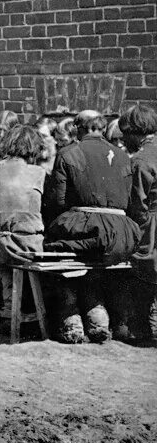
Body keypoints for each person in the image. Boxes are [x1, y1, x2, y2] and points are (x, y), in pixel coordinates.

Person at [43, 110, 138, 344]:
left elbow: (59, 200)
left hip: (88, 226)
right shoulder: (123, 156)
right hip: (122, 230)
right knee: (96, 267)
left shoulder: (68, 153)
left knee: (55, 251)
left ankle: (71, 320)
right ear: (103, 128)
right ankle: (100, 318)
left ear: (78, 128)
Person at [0, 125, 47, 323]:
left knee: (0, 260)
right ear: (34, 148)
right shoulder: (40, 173)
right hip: (28, 247)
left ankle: (7, 310)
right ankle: (19, 313)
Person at [121, 104, 157, 346]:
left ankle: (142, 329)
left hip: (152, 223)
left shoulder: (141, 160)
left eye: (126, 133)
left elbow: (138, 203)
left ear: (136, 132)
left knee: (145, 271)